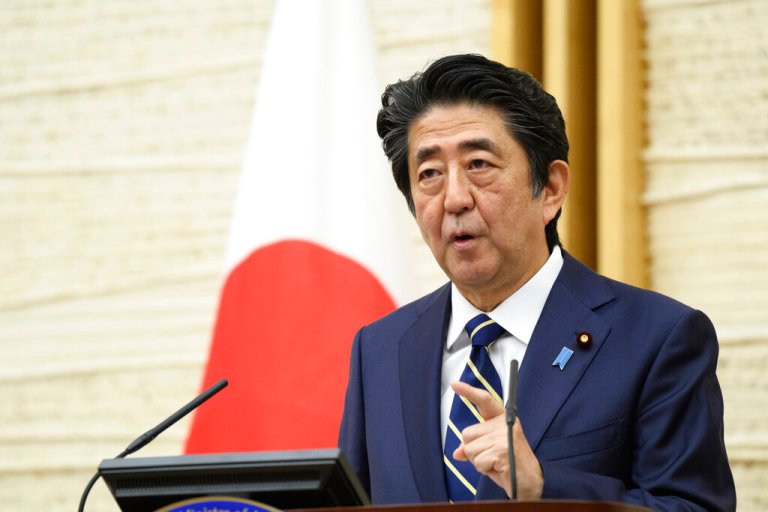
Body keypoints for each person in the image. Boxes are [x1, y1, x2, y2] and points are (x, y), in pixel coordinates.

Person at [338, 54, 735, 510]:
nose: (454, 198)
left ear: (550, 189)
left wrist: (543, 486)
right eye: (429, 174)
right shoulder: (380, 348)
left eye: (479, 164)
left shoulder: (657, 338)